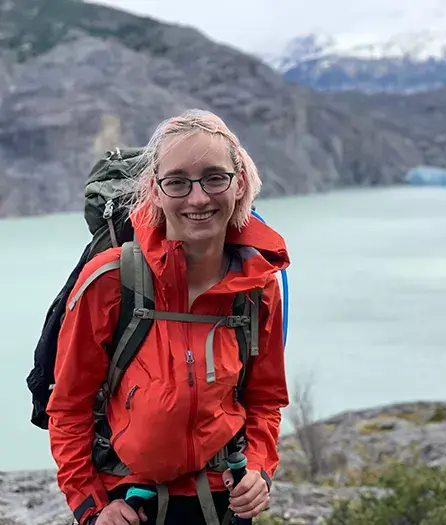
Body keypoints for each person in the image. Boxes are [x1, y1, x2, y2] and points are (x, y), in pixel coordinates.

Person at [46, 109, 291, 525]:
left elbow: (265, 399)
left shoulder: (258, 284)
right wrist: (92, 507)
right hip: (128, 505)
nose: (198, 198)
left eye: (215, 177)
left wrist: (259, 469)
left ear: (240, 184)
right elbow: (69, 406)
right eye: (177, 182)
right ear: (155, 191)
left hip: (223, 501)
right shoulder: (110, 280)